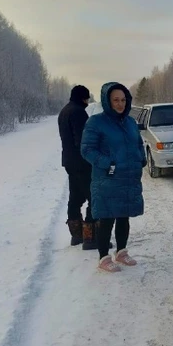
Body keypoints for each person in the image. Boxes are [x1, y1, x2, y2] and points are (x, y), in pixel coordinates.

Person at [81, 82, 147, 272]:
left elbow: (138, 144)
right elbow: (87, 149)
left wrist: (141, 160)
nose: (120, 104)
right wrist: (107, 163)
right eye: (116, 100)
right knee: (107, 217)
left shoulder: (130, 122)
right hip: (107, 179)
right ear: (107, 101)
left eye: (123, 100)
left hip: (128, 178)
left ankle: (121, 252)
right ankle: (103, 257)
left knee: (123, 215)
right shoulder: (96, 122)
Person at [57, 85, 100, 250]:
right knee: (93, 196)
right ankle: (91, 238)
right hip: (82, 163)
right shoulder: (78, 113)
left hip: (69, 162)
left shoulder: (64, 111)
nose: (88, 101)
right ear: (83, 97)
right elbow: (82, 141)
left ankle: (76, 236)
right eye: (87, 98)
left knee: (75, 198)